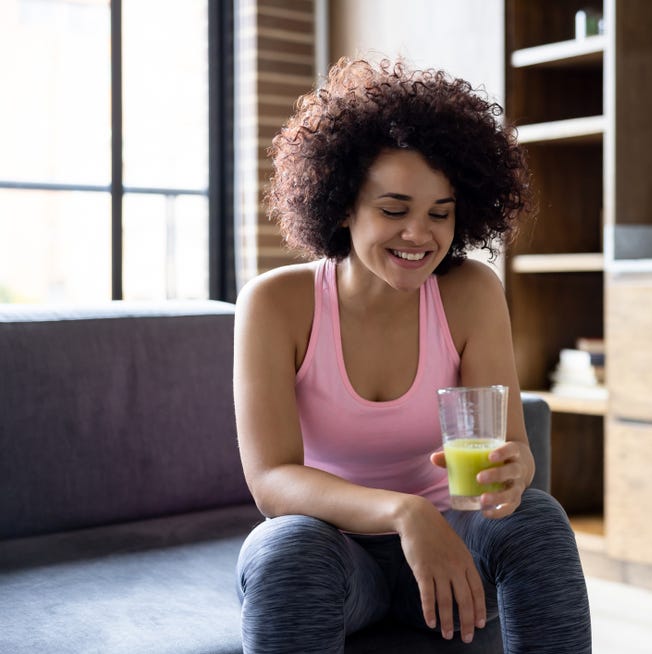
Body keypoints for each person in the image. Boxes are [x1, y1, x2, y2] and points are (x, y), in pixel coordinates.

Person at [233, 57, 592, 653]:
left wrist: (514, 472)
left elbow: (513, 456)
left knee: (540, 519)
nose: (418, 235)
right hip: (339, 555)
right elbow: (273, 481)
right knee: (286, 548)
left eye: (440, 214)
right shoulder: (276, 304)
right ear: (343, 205)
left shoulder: (471, 292)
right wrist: (406, 514)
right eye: (394, 210)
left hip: (456, 543)